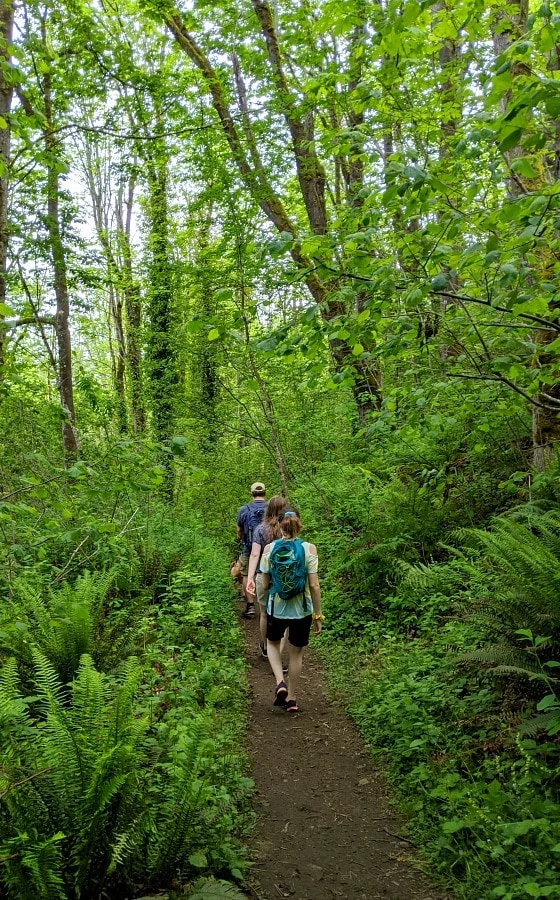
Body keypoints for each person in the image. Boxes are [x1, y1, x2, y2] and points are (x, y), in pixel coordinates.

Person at [260, 508, 324, 713]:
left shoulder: (270, 549)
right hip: (302, 610)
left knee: (272, 643)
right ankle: (292, 698)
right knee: (296, 654)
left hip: (276, 607)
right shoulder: (309, 549)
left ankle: (280, 681)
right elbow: (314, 586)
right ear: (299, 525)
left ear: (279, 526)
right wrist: (318, 614)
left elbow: (265, 584)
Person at [246, 494, 287, 658]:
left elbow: (254, 554)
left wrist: (249, 578)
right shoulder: (288, 528)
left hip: (263, 576)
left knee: (264, 613)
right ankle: (277, 654)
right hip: (284, 578)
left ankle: (266, 647)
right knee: (282, 616)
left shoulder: (260, 529)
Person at [236, 482, 267, 618]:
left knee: (246, 575)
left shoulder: (244, 509)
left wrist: (242, 538)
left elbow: (239, 530)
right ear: (265, 493)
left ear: (251, 493)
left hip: (249, 548)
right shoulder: (271, 508)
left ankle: (250, 606)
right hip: (268, 548)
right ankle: (269, 604)